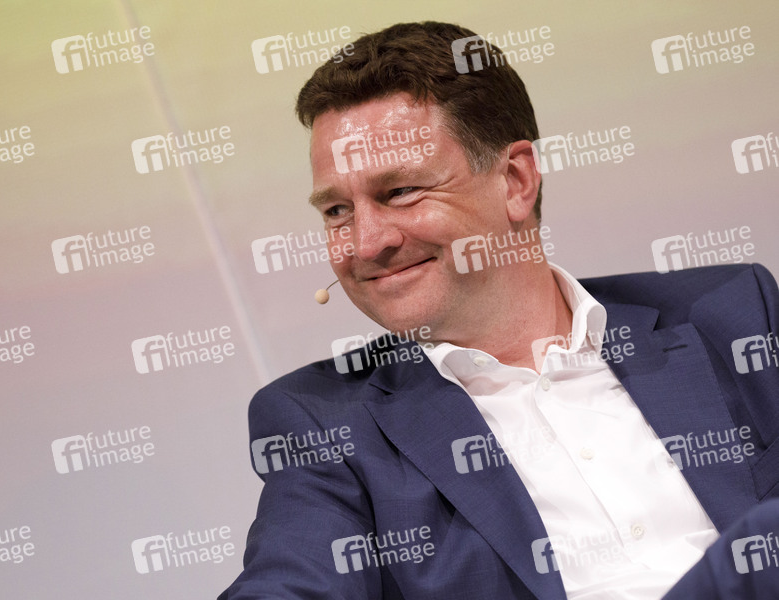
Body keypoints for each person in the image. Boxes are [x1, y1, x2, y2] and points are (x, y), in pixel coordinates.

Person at [220, 21, 779, 599]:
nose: (365, 244)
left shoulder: (732, 313)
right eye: (337, 211)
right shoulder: (323, 422)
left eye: (400, 192)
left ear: (515, 181)